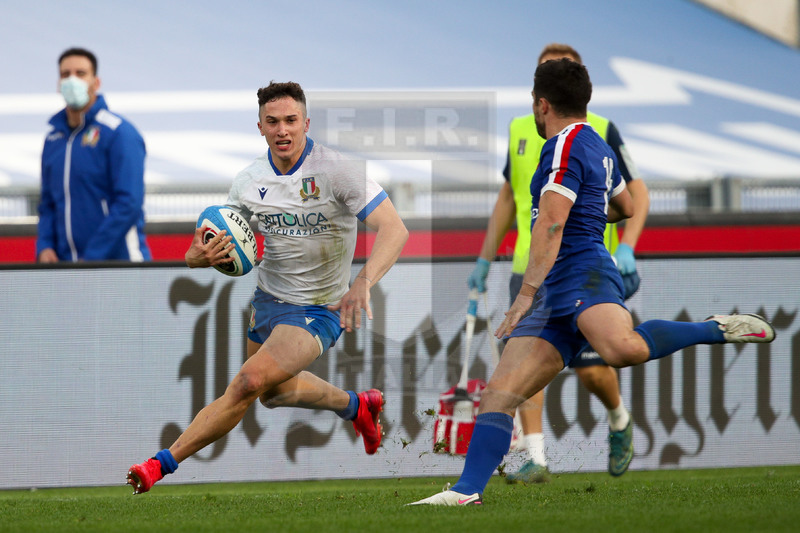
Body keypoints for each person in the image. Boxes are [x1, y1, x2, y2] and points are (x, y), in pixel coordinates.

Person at [409, 58, 774, 506]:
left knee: (621, 350)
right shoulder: (597, 144)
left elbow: (550, 226)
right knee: (499, 396)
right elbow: (624, 205)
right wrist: (589, 216)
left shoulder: (562, 145)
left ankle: (714, 328)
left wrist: (525, 294)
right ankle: (465, 493)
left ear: (542, 105)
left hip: (581, 272)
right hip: (556, 286)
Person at [126, 81, 409, 494]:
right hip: (268, 300)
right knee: (271, 395)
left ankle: (158, 465)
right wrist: (197, 256)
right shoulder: (248, 181)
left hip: (319, 309)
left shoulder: (338, 171)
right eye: (273, 122)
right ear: (259, 126)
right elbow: (205, 246)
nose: (283, 130)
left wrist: (363, 282)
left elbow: (395, 229)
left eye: (291, 121)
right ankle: (358, 406)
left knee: (246, 384)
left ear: (306, 122)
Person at [467, 43, 649, 483]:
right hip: (529, 267)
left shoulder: (601, 130)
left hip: (582, 268)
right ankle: (535, 456)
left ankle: (619, 418)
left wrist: (627, 246)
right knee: (525, 360)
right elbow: (509, 198)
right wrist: (483, 259)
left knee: (593, 370)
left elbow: (634, 196)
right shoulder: (519, 130)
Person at [36, 47, 151, 262]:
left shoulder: (120, 133)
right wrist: (45, 245)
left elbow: (129, 203)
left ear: (96, 82)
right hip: (66, 269)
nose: (72, 80)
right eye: (65, 74)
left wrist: (92, 258)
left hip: (120, 265)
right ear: (58, 84)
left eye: (80, 74)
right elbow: (47, 203)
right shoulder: (53, 139)